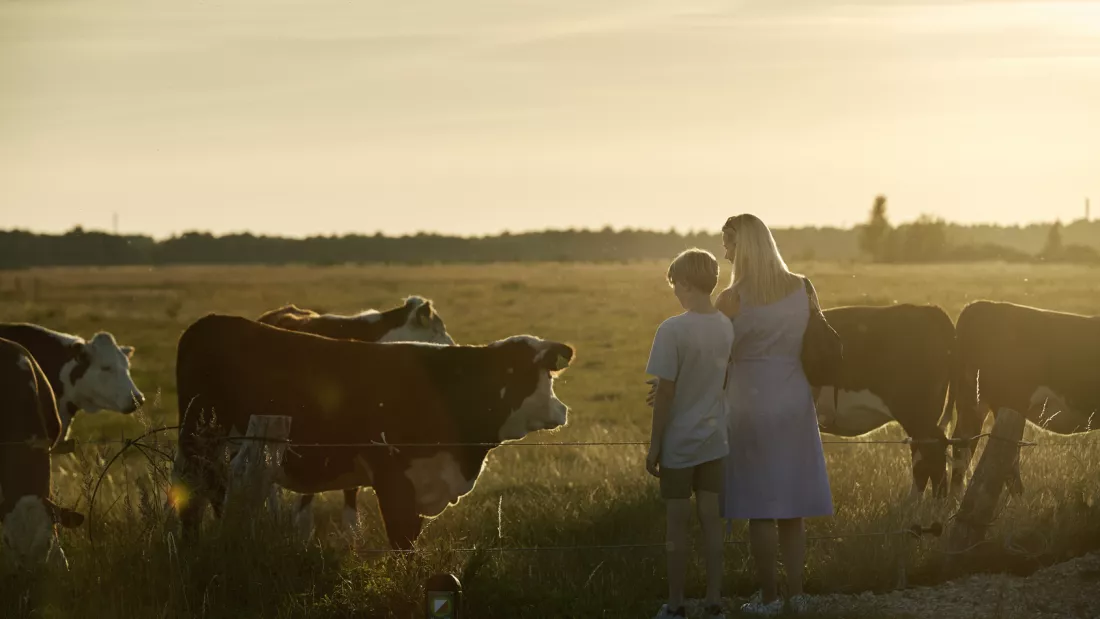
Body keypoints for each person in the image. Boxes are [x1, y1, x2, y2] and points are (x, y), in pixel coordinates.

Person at [716, 214, 833, 616]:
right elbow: (818, 343)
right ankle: (797, 594)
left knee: (760, 509)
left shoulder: (730, 300)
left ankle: (768, 599)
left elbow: (717, 360)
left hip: (748, 402)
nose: (724, 251)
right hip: (795, 398)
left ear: (743, 246)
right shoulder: (803, 287)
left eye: (728, 243)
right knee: (792, 504)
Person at [645, 248, 735, 619]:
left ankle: (677, 602)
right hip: (715, 440)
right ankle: (715, 600)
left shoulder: (672, 330)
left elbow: (664, 392)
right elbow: (722, 377)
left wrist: (654, 446)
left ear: (684, 283)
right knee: (712, 522)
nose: (674, 293)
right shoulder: (726, 326)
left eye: (674, 285)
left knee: (677, 526)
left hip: (679, 444)